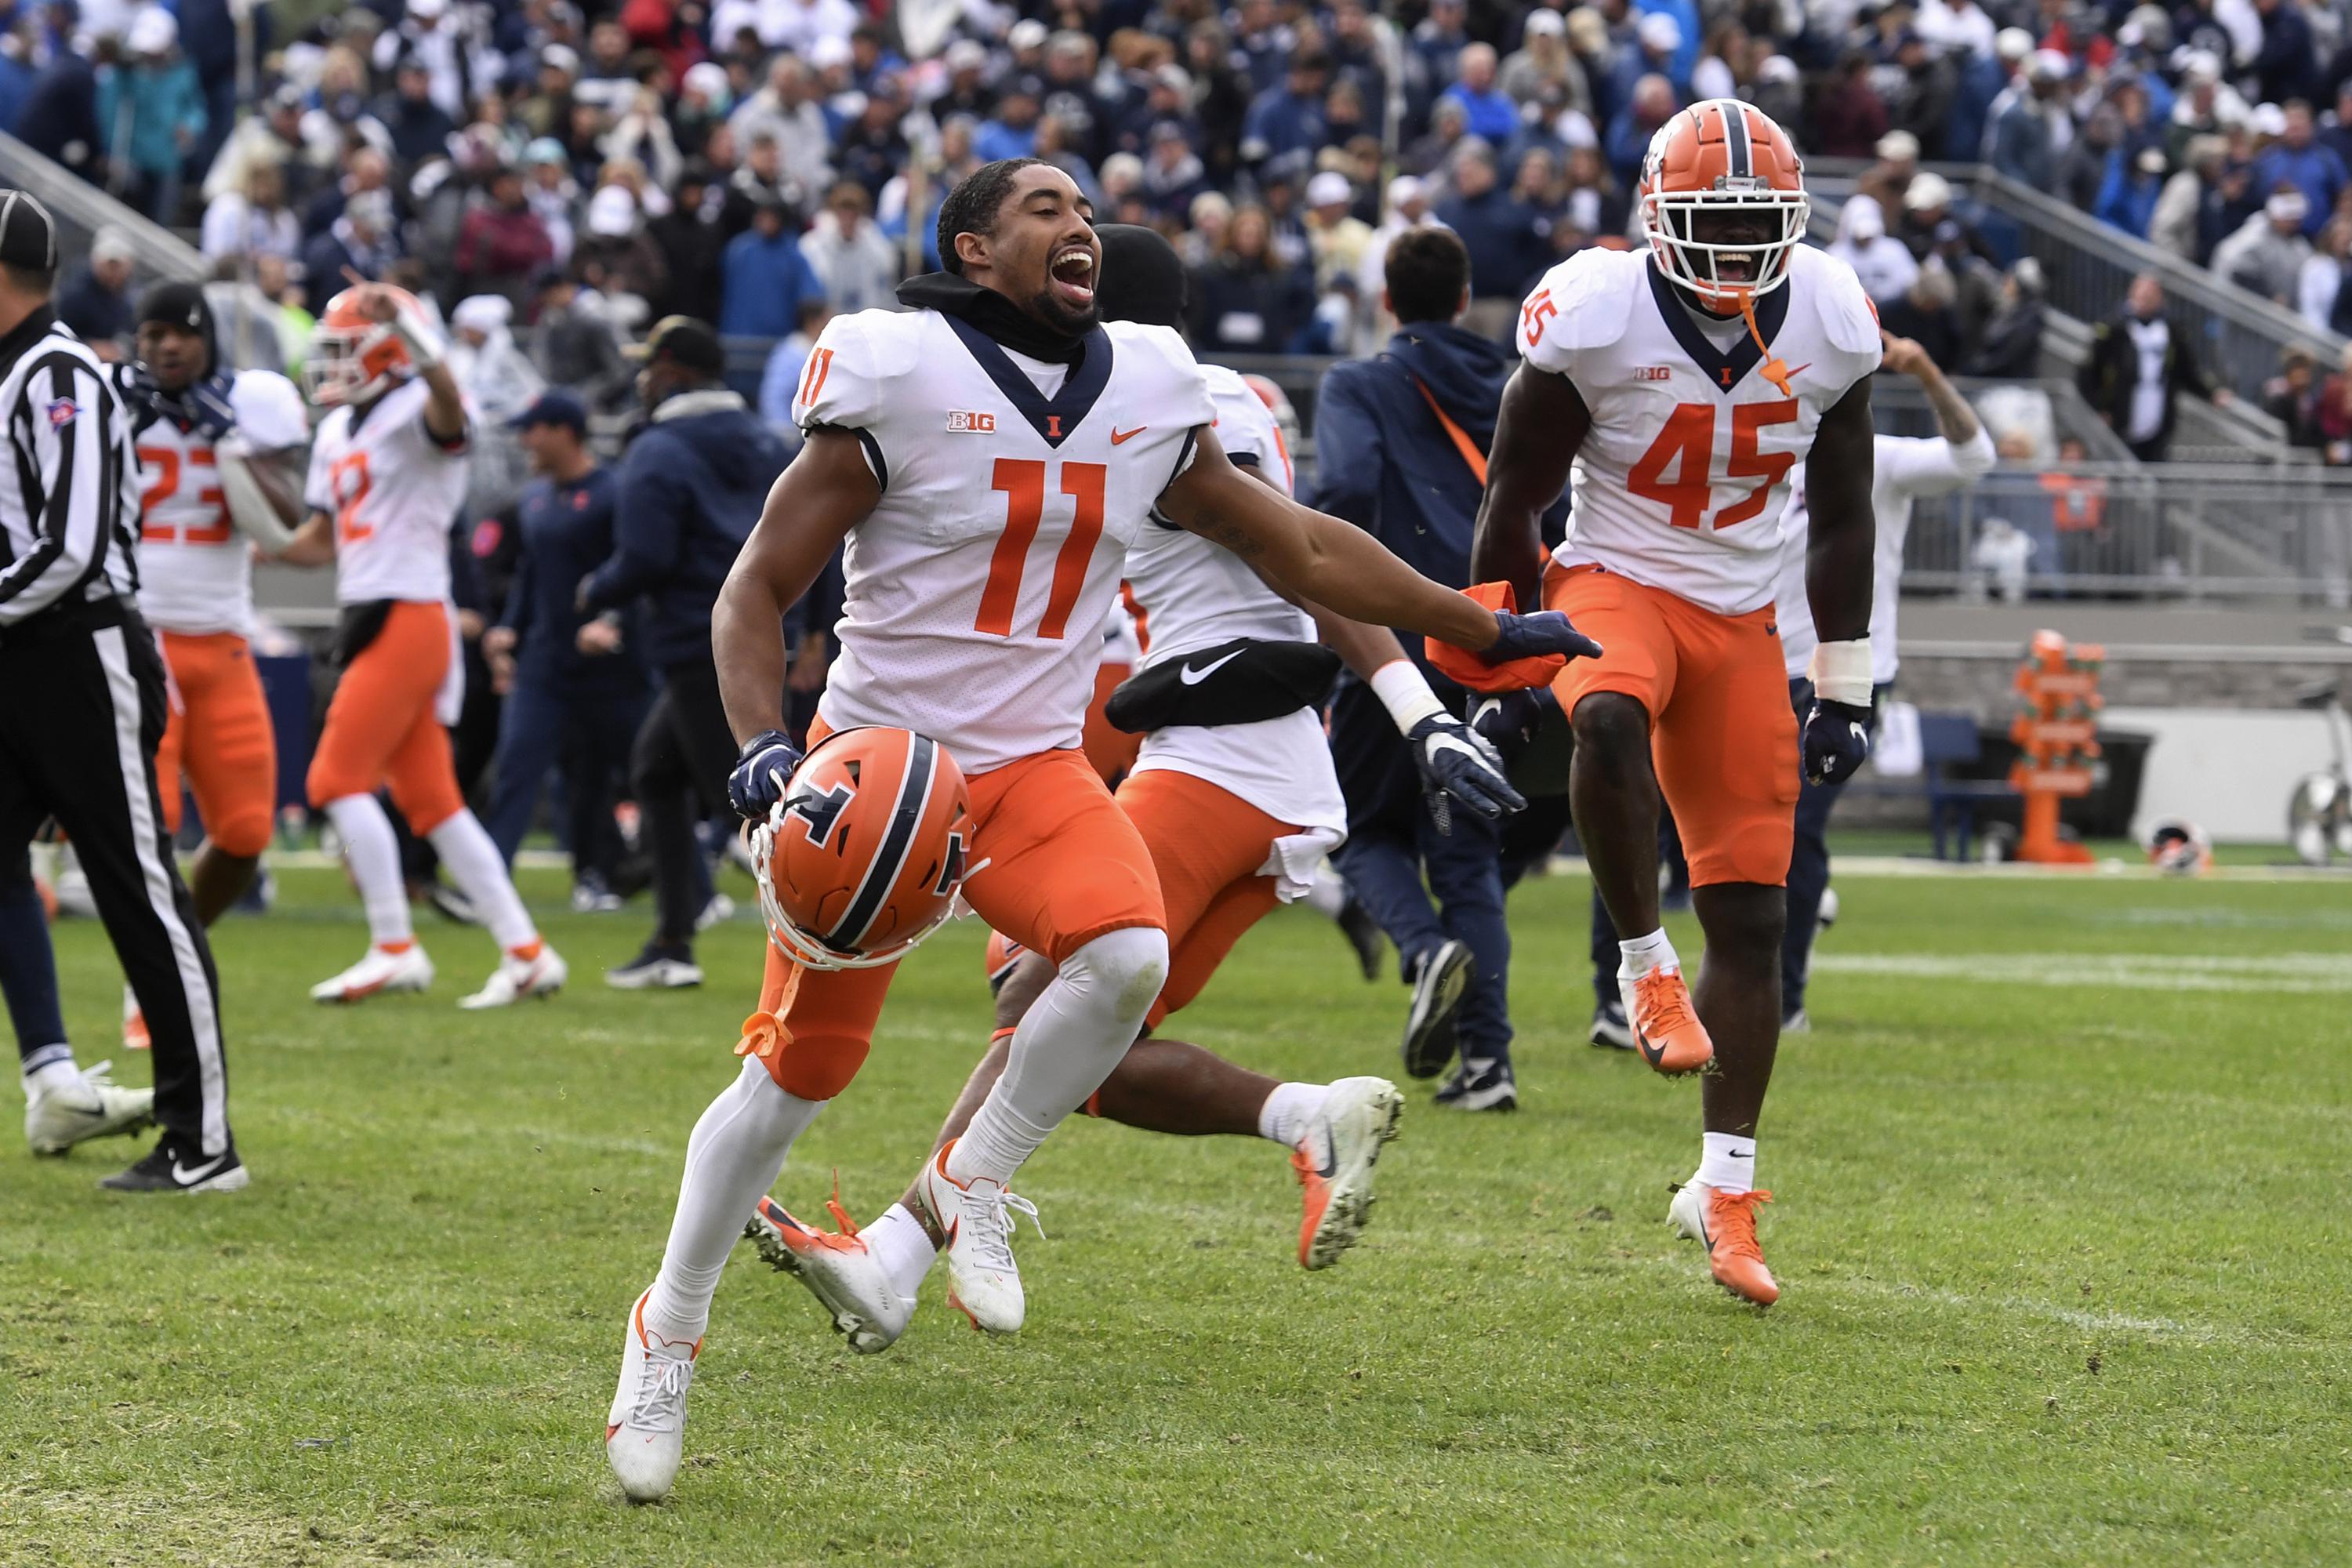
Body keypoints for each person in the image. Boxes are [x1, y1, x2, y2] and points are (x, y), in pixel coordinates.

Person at [601, 158, 1596, 1504]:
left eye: (1084, 209)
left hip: (1027, 768)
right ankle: (666, 1326)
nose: (1079, 227)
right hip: (883, 767)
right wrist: (769, 748)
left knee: (1126, 955)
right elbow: (757, 587)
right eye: (1044, 211)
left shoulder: (1145, 384)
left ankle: (967, 1190)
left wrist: (1478, 629)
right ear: (973, 247)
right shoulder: (895, 369)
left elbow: (1298, 550)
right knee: (794, 1083)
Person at [750, 224, 1534, 1342]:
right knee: (1093, 1057)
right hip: (1254, 766)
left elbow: (1307, 561)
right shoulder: (1191, 396)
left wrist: (1419, 710)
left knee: (1037, 989)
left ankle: (896, 1256)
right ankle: (1309, 1118)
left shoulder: (1148, 411)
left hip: (1226, 754)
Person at [1465, 103, 1882, 1307]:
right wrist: (1491, 657)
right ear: (1657, 219)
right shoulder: (1595, 312)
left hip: (1746, 620)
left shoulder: (1836, 315)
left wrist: (1843, 680)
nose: (1738, 252)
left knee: (1755, 919)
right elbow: (1516, 499)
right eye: (1714, 224)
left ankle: (1726, 1187)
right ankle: (1642, 964)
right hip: (1616, 581)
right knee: (1604, 717)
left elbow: (1846, 509)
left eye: (1759, 227)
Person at [0, 191, 237, 1191]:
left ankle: (202, 1136)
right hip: (23, 647)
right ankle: (52, 1070)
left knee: (136, 885)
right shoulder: (20, 372)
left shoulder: (62, 374)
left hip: (78, 650)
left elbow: (74, 544)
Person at [1312, 225, 1564, 1110]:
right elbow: (1555, 506)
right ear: (1465, 299)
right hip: (1497, 637)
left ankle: (1424, 950)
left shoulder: (1361, 383)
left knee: (1355, 828)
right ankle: (1488, 1065)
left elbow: (1341, 489)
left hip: (1396, 636)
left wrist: (1341, 577)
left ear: (1388, 300)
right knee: (1467, 855)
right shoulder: (1513, 388)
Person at [271, 280, 566, 1008]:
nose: (332, 365)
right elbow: (315, 542)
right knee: (432, 801)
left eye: (348, 350)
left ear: (393, 349)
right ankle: (527, 952)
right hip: (374, 609)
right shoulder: (338, 431)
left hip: (408, 611)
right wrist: (249, 537)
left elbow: (447, 406)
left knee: (333, 781)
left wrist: (413, 328)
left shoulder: (419, 404)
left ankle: (393, 945)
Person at [1770, 332, 1991, 1028]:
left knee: (1798, 830)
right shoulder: (1760, 451)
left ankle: (1785, 999)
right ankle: (1794, 924)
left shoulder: (1881, 455)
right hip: (1754, 662)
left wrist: (1927, 370)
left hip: (1848, 671)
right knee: (1753, 830)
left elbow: (1973, 455)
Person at [116, 282, 310, 1049]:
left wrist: (227, 438)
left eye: (181, 334)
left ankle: (179, 946)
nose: (166, 346)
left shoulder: (246, 404)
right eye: (153, 332)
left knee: (242, 832)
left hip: (224, 639)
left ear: (207, 340)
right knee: (152, 831)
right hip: (140, 640)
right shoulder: (107, 398)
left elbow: (290, 524)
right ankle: (149, 983)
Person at [581, 316, 789, 989]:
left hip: (698, 641)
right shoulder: (768, 439)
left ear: (672, 371)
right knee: (658, 775)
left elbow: (646, 556)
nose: (644, 380)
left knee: (754, 814)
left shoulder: (659, 448)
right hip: (768, 633)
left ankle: (827, 939)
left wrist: (593, 590)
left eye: (651, 367)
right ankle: (674, 938)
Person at [479, 391, 648, 908]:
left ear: (564, 432)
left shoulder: (613, 492)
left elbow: (638, 563)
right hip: (545, 659)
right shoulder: (533, 500)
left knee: (631, 771)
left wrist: (611, 621)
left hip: (607, 665)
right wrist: (509, 630)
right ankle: (489, 885)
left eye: (533, 429)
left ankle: (684, 884)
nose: (524, 440)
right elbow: (531, 573)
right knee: (517, 765)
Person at [2076, 273, 2231, 461]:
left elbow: (2187, 369)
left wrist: (2211, 393)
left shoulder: (2171, 330)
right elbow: (2088, 372)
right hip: (2120, 415)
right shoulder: (2112, 329)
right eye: (2142, 295)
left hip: (2158, 416)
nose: (2146, 300)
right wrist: (2098, 407)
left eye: (2151, 296)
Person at [56, 227, 137, 349]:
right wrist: (90, 346)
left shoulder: (128, 303)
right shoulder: (75, 298)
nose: (114, 272)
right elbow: (58, 337)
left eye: (118, 266)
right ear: (96, 263)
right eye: (110, 265)